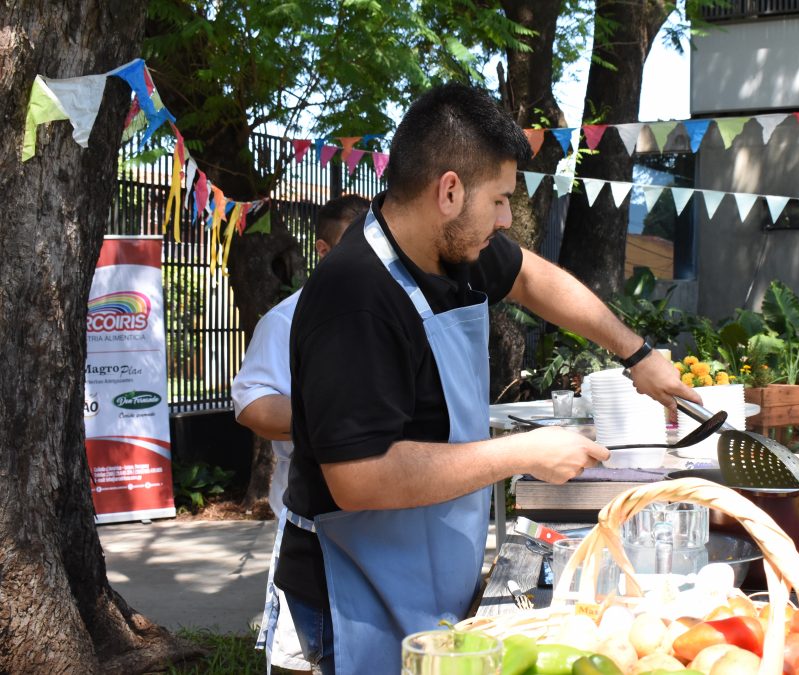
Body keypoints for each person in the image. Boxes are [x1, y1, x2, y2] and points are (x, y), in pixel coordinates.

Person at [259, 82, 698, 674]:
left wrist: (636, 353)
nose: (504, 219)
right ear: (448, 190)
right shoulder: (355, 298)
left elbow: (534, 280)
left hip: (428, 559)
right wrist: (523, 451)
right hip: (354, 582)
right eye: (499, 200)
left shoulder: (454, 248)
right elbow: (359, 478)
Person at [235, 194, 370, 673]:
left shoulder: (395, 312)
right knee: (298, 655)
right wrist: (332, 419)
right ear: (322, 250)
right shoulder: (287, 319)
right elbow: (252, 406)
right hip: (307, 518)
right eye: (353, 245)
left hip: (381, 516)